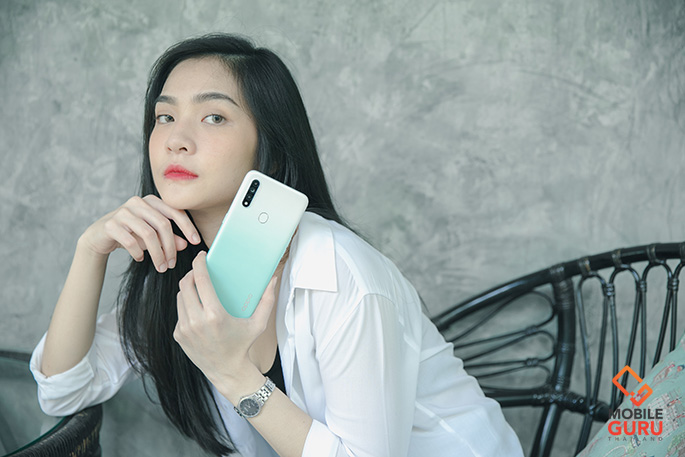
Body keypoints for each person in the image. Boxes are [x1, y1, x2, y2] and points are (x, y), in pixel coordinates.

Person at [30, 33, 524, 457]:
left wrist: (233, 373)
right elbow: (62, 392)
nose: (176, 139)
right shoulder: (179, 267)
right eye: (164, 117)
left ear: (267, 145)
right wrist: (90, 252)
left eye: (214, 117)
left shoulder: (338, 272)